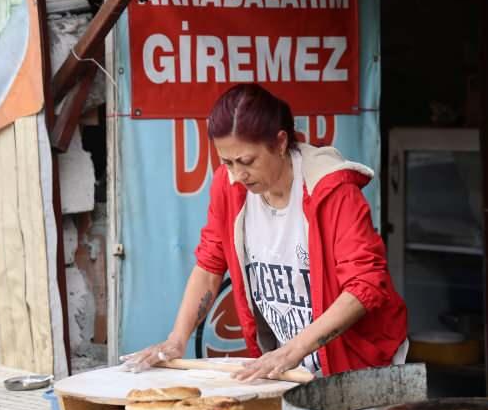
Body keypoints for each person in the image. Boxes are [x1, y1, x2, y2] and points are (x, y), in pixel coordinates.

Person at [121, 84, 408, 381]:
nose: (237, 174)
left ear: (280, 142)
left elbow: (365, 286)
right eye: (227, 162)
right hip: (291, 369)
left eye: (247, 161)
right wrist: (176, 340)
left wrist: (293, 350)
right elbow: (210, 265)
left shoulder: (332, 191)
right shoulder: (229, 187)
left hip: (360, 364)